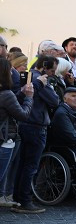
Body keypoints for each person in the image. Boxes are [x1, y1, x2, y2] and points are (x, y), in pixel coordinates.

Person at [12, 56, 61, 214]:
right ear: (44, 67)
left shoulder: (28, 77)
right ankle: (24, 200)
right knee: (31, 165)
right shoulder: (39, 80)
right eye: (52, 70)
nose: (53, 74)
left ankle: (19, 198)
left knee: (23, 164)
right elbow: (54, 101)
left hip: (26, 124)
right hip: (35, 126)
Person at [0, 57, 34, 206]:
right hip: (4, 139)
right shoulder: (6, 94)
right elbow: (23, 114)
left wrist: (19, 94)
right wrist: (28, 98)